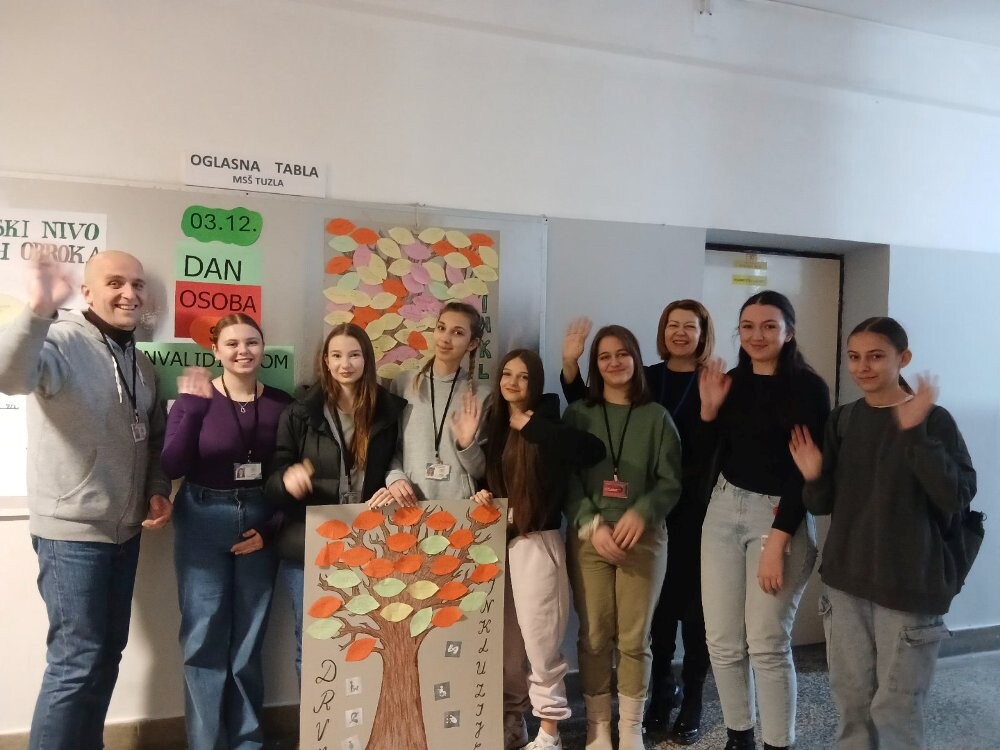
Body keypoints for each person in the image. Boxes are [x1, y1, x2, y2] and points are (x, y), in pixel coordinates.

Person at [0, 251, 172, 750]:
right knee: (75, 664)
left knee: (104, 657)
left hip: (125, 532)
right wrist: (38, 310)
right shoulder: (60, 340)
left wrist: (157, 489)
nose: (129, 294)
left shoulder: (140, 362)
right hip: (72, 535)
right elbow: (9, 376)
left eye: (137, 284)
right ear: (89, 292)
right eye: (115, 283)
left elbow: (154, 439)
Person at [790, 317, 976, 750]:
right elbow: (822, 504)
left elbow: (956, 495)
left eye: (876, 356)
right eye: (854, 357)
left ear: (902, 358)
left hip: (909, 587)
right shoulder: (844, 419)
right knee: (852, 702)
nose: (863, 367)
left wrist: (916, 436)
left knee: (897, 708)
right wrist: (814, 476)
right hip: (846, 584)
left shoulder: (934, 420)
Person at [561, 302, 716, 744]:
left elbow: (670, 482)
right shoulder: (580, 415)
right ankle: (598, 726)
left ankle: (630, 728)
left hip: (644, 539)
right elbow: (567, 479)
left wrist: (641, 512)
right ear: (596, 365)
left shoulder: (657, 417)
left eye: (622, 354)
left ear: (636, 358)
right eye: (604, 356)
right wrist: (591, 522)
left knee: (634, 639)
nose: (614, 362)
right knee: (594, 637)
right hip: (590, 538)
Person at [697, 290, 830, 750]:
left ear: (788, 333)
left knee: (767, 643)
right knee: (722, 641)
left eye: (769, 326)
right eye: (748, 326)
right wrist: (709, 411)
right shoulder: (731, 382)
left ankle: (777, 744)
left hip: (778, 517)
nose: (757, 335)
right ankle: (740, 738)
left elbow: (804, 472)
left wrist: (778, 540)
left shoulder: (808, 389)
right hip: (723, 508)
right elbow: (711, 453)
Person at [160, 313, 292, 749]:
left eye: (251, 342)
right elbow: (172, 465)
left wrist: (271, 529)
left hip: (259, 520)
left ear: (263, 347)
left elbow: (287, 475)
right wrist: (193, 409)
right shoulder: (194, 399)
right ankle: (206, 742)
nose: (243, 351)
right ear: (215, 350)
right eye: (232, 344)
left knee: (250, 637)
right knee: (203, 637)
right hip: (202, 517)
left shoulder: (281, 403)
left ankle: (248, 741)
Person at [472, 349, 606, 750]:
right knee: (509, 646)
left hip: (537, 542)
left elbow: (592, 451)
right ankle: (515, 722)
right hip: (501, 543)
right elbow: (493, 480)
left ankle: (550, 731)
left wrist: (534, 428)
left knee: (542, 642)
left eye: (523, 376)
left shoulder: (548, 422)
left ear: (536, 383)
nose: (512, 383)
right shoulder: (496, 424)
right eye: (507, 374)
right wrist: (483, 493)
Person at [265, 323, 406, 678]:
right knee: (313, 642)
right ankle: (315, 717)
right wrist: (287, 480)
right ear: (325, 361)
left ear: (367, 360)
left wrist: (394, 482)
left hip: (369, 541)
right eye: (337, 355)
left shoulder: (388, 410)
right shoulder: (300, 412)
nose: (346, 364)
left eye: (354, 355)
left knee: (366, 640)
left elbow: (396, 461)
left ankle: (357, 714)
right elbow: (273, 480)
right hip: (311, 542)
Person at [384, 301, 488, 505]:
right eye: (441, 328)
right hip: (409, 504)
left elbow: (482, 472)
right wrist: (394, 478)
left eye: (458, 333)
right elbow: (387, 447)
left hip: (460, 508)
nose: (445, 339)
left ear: (472, 343)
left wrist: (466, 444)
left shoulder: (482, 396)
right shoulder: (403, 384)